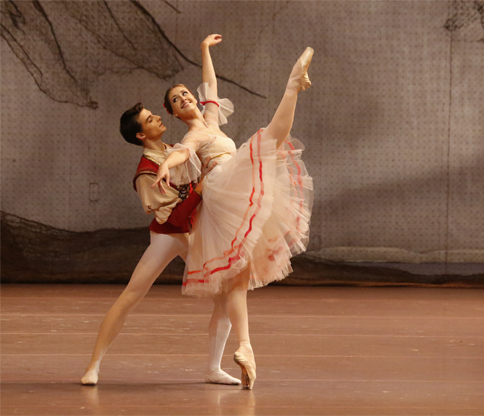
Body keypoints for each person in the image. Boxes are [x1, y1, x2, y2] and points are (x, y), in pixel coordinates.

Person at [152, 34, 314, 389]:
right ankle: (292, 86)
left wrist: (204, 50)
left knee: (235, 283)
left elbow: (210, 83)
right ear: (175, 113)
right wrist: (167, 164)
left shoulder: (211, 117)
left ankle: (243, 349)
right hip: (224, 181)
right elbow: (182, 152)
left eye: (185, 94)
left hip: (226, 193)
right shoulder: (194, 133)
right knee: (267, 140)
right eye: (177, 101)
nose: (184, 99)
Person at [81, 103, 240, 386]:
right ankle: (93, 365)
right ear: (141, 135)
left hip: (195, 230)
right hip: (168, 235)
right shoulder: (146, 172)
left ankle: (213, 368)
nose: (157, 118)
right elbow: (175, 217)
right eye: (149, 119)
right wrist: (202, 188)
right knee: (131, 296)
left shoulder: (175, 149)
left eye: (154, 114)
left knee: (225, 296)